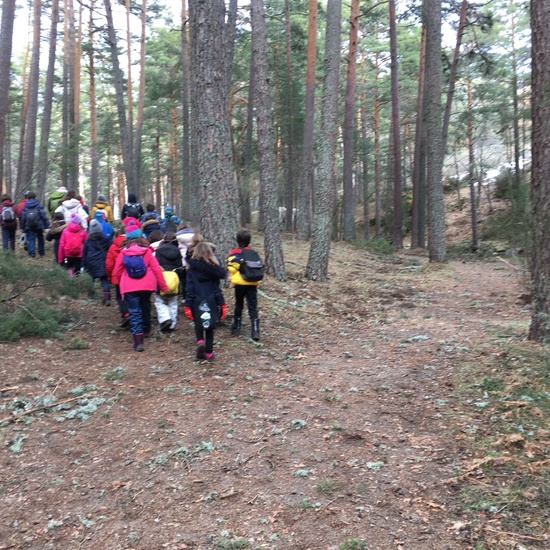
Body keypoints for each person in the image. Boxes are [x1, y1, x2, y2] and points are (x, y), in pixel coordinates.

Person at [112, 219, 169, 351]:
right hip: (146, 285)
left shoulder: (123, 252)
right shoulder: (147, 251)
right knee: (145, 306)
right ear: (139, 236)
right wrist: (163, 286)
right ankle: (147, 328)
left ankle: (138, 340)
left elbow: (116, 271)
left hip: (130, 287)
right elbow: (156, 269)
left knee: (134, 311)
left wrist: (120, 282)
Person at [184, 241, 227, 362]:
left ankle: (200, 341)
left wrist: (188, 305)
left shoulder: (191, 271)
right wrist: (222, 303)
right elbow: (216, 289)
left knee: (198, 323)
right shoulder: (214, 271)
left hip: (196, 301)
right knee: (210, 328)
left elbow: (189, 289)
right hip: (211, 301)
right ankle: (209, 353)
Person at [227, 229, 261, 341]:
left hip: (240, 283)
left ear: (237, 240)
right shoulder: (253, 253)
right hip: (252, 282)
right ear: (249, 241)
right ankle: (255, 330)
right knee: (253, 306)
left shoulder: (234, 252)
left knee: (239, 304)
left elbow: (231, 266)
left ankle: (236, 327)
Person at [82, 219, 111, 305]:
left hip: (91, 263)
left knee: (91, 279)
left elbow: (84, 253)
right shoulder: (106, 239)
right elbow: (109, 250)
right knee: (104, 279)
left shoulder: (88, 241)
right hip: (102, 262)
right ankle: (107, 295)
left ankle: (90, 296)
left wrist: (83, 265)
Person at [106, 228, 130, 327]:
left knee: (120, 297)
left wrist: (110, 276)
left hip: (118, 276)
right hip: (132, 275)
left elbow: (109, 265)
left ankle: (126, 314)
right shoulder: (134, 243)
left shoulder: (113, 246)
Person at [20, 192, 50, 258]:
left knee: (31, 239)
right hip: (38, 224)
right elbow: (43, 215)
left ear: (27, 197)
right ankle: (41, 251)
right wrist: (47, 224)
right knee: (40, 237)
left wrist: (22, 226)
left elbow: (23, 217)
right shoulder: (38, 204)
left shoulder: (25, 205)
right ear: (35, 197)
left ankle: (32, 254)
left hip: (29, 225)